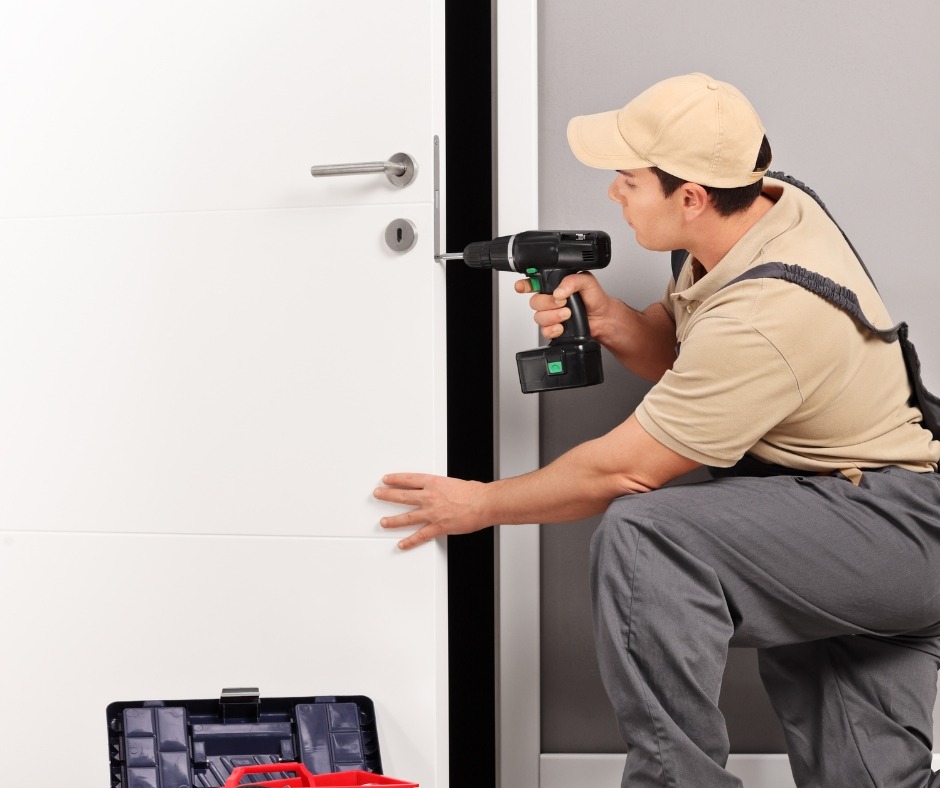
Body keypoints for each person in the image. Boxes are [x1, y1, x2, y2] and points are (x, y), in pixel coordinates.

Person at [373, 72, 940, 787]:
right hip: (841, 527)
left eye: (627, 179)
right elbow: (699, 357)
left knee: (648, 533)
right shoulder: (760, 208)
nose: (613, 191)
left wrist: (478, 505)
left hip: (887, 529)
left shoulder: (768, 312)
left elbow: (625, 472)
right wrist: (617, 322)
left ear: (691, 197)